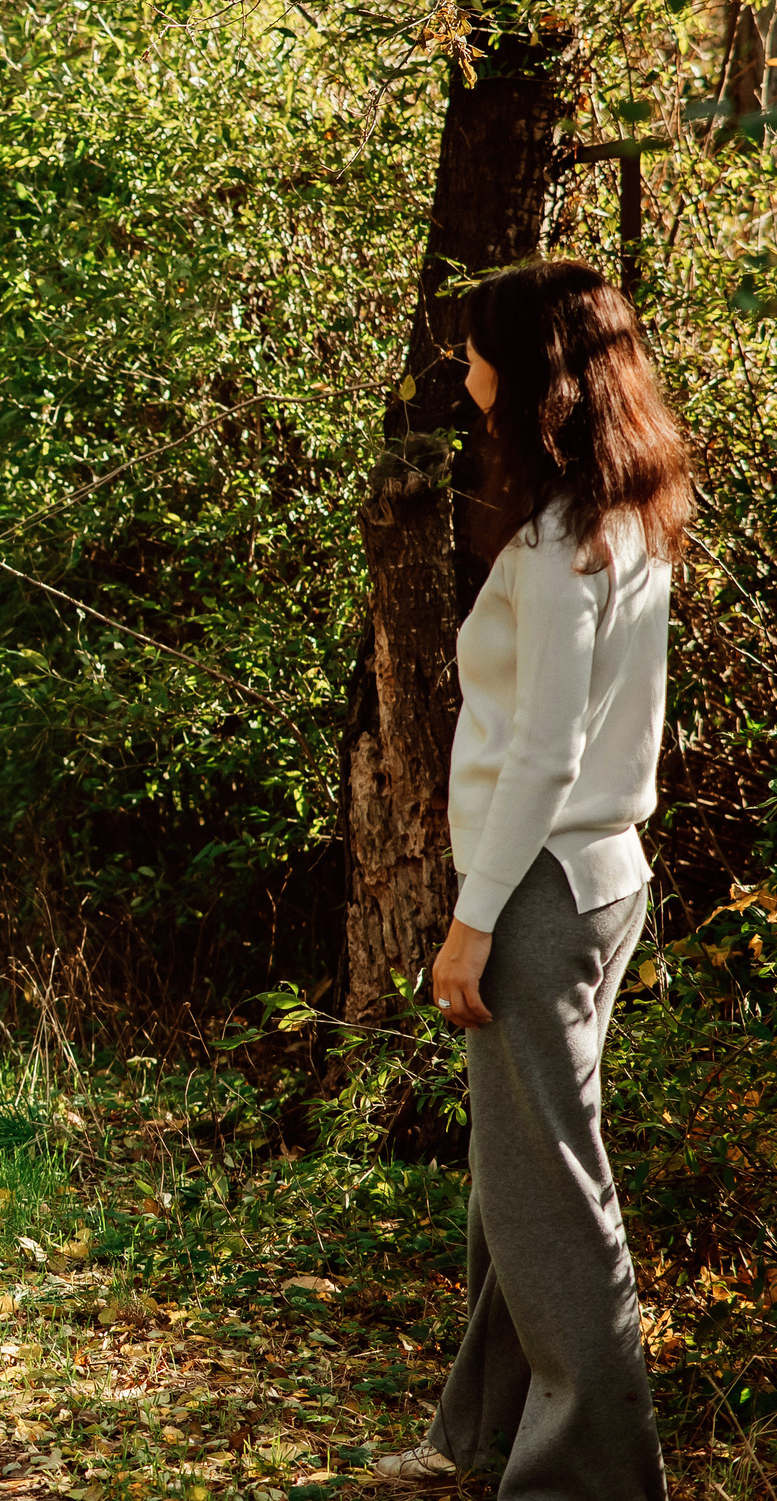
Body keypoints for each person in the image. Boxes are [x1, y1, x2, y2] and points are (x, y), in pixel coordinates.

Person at [375, 261, 689, 1496]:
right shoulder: (625, 511)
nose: (465, 371)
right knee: (522, 1175)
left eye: (477, 351)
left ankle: (589, 1472)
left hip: (545, 886)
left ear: (532, 368)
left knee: (550, 1191)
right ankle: (486, 1436)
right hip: (603, 875)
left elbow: (549, 750)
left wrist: (470, 921)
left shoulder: (565, 540)